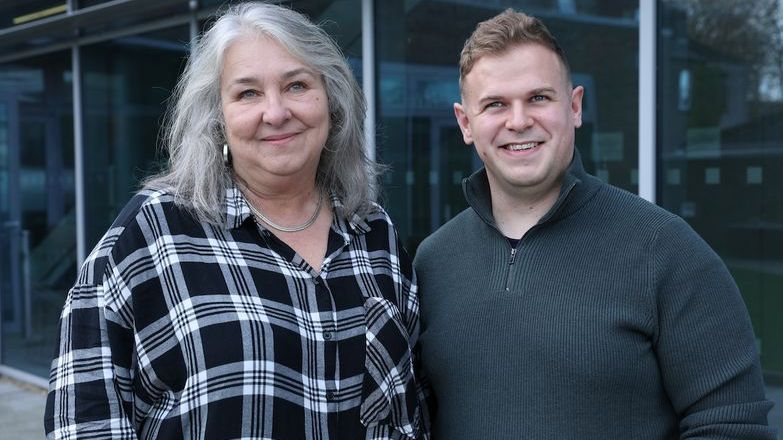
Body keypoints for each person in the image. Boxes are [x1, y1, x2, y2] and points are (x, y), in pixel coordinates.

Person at [44, 3, 428, 439]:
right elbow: (84, 420)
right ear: (217, 118)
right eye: (248, 93)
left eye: (297, 85)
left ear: (332, 100)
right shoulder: (153, 233)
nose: (277, 112)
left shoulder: (374, 233)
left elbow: (412, 409)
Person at [413, 8, 775, 440]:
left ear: (575, 107)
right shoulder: (433, 262)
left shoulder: (664, 249)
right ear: (466, 123)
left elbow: (733, 424)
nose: (518, 120)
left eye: (539, 98)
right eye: (495, 104)